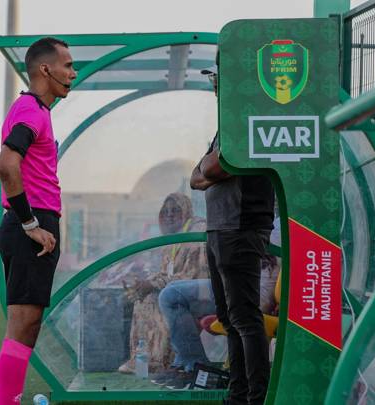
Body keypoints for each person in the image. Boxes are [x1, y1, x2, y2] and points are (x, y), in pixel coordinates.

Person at [0, 36, 76, 405]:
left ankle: (10, 399)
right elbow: (6, 164)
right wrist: (30, 224)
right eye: (68, 65)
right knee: (23, 323)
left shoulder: (37, 112)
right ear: (46, 69)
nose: (73, 73)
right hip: (30, 224)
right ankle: (9, 401)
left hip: (33, 222)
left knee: (27, 324)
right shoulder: (30, 110)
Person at [190, 61, 275, 405]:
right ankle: (238, 394)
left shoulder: (244, 119)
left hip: (239, 226)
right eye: (213, 77)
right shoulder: (226, 123)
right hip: (221, 227)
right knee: (230, 316)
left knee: (244, 316)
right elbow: (197, 177)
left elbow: (209, 167)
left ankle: (256, 397)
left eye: (217, 77)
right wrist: (210, 168)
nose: (214, 84)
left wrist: (210, 168)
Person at [158, 218, 282, 379]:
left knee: (172, 295)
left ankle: (193, 366)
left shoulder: (281, 225)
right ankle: (187, 363)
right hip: (240, 286)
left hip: (249, 294)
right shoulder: (274, 221)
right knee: (172, 290)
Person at [118, 192, 209, 375]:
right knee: (142, 296)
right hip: (179, 291)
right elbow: (167, 273)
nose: (169, 215)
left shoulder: (195, 233)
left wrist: (153, 284)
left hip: (202, 294)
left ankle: (160, 361)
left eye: (175, 210)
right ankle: (145, 358)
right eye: (165, 211)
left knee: (156, 299)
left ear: (186, 211)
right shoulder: (173, 238)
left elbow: (193, 276)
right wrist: (144, 282)